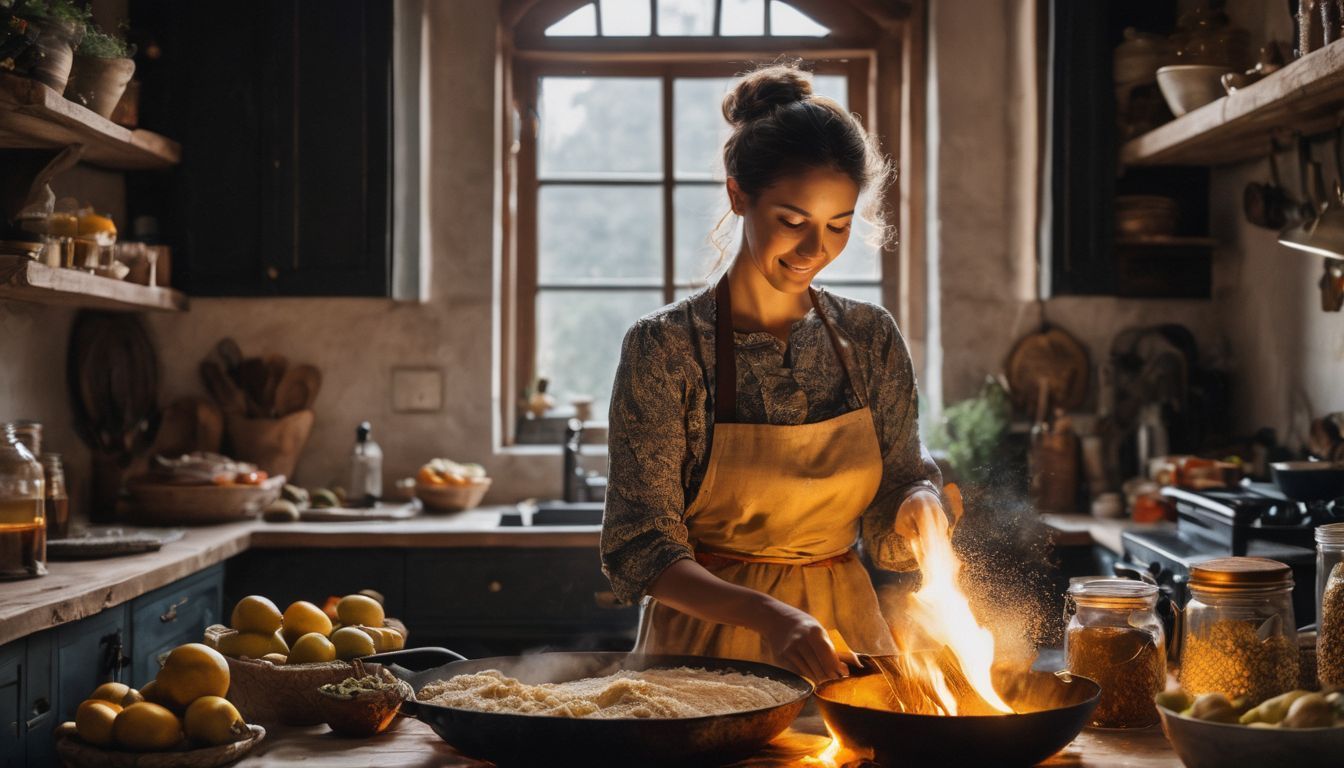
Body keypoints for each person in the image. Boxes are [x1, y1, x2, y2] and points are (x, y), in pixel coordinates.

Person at [600, 61, 947, 683]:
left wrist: (918, 504)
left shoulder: (870, 338)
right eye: (793, 221)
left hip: (846, 646)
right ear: (739, 195)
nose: (816, 250)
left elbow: (894, 494)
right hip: (702, 655)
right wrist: (772, 616)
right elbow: (639, 548)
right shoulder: (667, 348)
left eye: (838, 225)